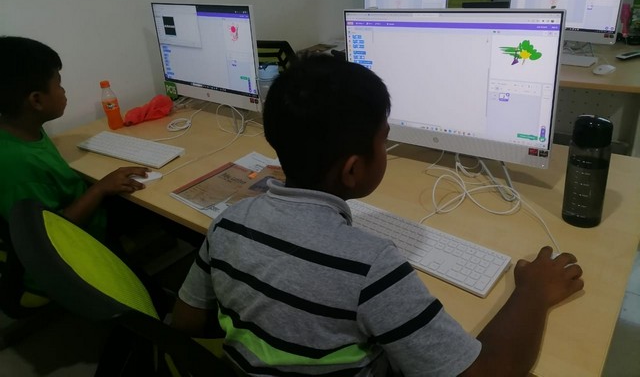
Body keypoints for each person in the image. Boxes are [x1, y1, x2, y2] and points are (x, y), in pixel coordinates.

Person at [171, 55, 584, 376]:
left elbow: (187, 320)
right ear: (353, 170)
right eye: (385, 141)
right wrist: (533, 293)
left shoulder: (228, 222)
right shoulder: (371, 267)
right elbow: (486, 373)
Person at [0, 36, 150, 255]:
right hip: (80, 243)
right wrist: (100, 188)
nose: (64, 91)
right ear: (36, 100)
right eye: (59, 85)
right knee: (157, 207)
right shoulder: (16, 164)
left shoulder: (22, 128)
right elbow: (50, 235)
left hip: (84, 209)